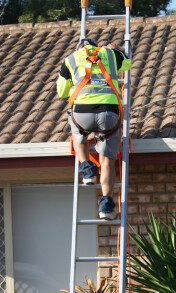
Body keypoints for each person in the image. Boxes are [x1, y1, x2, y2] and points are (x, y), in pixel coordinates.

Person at [57, 38, 131, 220]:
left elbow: (62, 92)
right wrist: (113, 49)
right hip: (110, 114)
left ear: (79, 48)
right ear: (96, 46)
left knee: (78, 131)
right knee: (107, 161)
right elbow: (127, 63)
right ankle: (106, 207)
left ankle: (87, 169)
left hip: (82, 113)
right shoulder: (110, 54)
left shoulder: (71, 58)